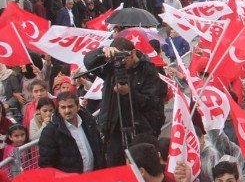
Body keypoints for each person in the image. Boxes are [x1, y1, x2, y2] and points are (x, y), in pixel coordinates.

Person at [83, 37, 167, 166]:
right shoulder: (111, 68)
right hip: (114, 128)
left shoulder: (148, 70)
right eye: (117, 57)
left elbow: (151, 102)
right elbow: (88, 62)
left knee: (141, 167)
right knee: (116, 167)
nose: (120, 61)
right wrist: (102, 51)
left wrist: (129, 93)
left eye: (123, 57)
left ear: (133, 53)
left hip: (141, 128)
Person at [38, 91, 105, 174]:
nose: (67, 111)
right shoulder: (50, 132)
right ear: (58, 109)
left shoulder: (89, 122)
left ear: (78, 106)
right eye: (63, 107)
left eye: (70, 106)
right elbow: (46, 164)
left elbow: (99, 148)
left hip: (93, 178)